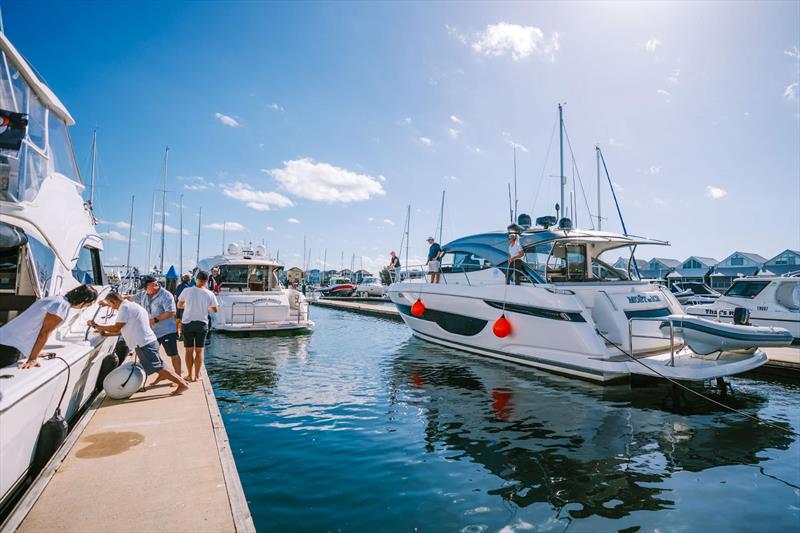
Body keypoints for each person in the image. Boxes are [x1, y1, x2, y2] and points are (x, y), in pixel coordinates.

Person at [89, 292, 188, 394]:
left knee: (159, 367)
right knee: (159, 366)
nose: (112, 308)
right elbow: (124, 330)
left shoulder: (124, 308)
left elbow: (116, 327)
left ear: (112, 302)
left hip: (144, 344)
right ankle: (177, 381)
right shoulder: (132, 305)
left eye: (110, 305)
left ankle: (182, 384)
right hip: (147, 341)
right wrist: (106, 334)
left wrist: (97, 326)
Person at [0, 285, 98, 368]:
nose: (85, 307)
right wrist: (33, 359)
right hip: (8, 346)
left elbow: (34, 325)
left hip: (5, 339)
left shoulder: (56, 299)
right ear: (82, 301)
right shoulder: (61, 306)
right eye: (87, 305)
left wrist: (37, 352)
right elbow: (44, 333)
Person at [134, 275, 181, 380]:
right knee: (151, 354)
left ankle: (178, 377)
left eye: (146, 287)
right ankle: (163, 374)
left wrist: (154, 320)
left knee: (173, 354)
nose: (145, 289)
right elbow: (129, 299)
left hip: (167, 331)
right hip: (152, 332)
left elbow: (171, 312)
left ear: (154, 285)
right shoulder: (144, 294)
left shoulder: (166, 295)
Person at [178, 270, 219, 382]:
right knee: (200, 351)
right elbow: (215, 310)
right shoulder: (210, 294)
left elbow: (179, 305)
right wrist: (205, 307)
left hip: (187, 323)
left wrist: (188, 305)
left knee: (188, 350)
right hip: (202, 324)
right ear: (206, 281)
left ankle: (189, 375)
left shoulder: (187, 290)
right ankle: (197, 376)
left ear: (196, 279)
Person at [175, 274, 191, 341]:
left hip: (177, 304)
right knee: (182, 320)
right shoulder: (187, 287)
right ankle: (181, 335)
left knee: (177, 319)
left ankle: (176, 334)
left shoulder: (178, 286)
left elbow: (175, 295)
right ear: (189, 280)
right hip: (183, 305)